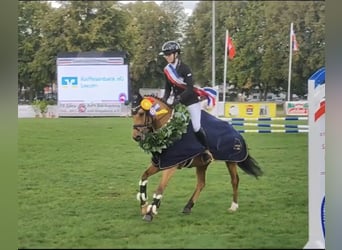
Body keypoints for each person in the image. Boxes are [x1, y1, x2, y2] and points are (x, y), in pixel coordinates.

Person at [159, 40, 213, 161]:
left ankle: (206, 150)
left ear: (176, 54)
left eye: (169, 54)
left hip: (191, 102)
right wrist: (163, 100)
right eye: (166, 55)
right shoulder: (166, 69)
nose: (167, 57)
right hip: (177, 103)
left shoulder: (184, 68)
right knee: (170, 126)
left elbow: (189, 88)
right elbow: (168, 88)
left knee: (196, 127)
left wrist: (178, 98)